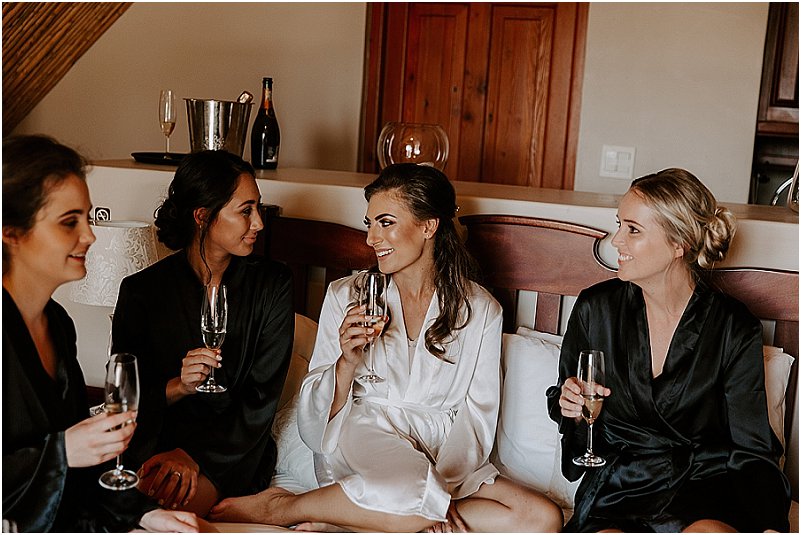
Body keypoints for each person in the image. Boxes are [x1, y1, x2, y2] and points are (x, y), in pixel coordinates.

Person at [209, 163, 563, 532]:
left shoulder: (481, 309)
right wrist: (346, 361)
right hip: (367, 428)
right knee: (417, 501)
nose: (370, 238)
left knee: (542, 517)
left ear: (428, 226)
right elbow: (315, 416)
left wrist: (437, 491)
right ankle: (284, 508)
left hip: (445, 449)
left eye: (385, 223)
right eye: (369, 224)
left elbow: (477, 415)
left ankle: (360, 517)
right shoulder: (346, 295)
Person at [547, 168, 791, 532]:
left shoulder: (733, 327)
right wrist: (572, 408)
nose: (616, 240)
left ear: (679, 244)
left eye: (633, 230)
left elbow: (751, 447)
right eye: (619, 225)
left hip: (705, 486)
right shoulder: (595, 309)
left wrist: (769, 523)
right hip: (620, 490)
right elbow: (565, 401)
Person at [2, 134, 201, 532]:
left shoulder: (58, 325)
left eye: (88, 217)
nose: (90, 235)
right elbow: (66, 453)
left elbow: (84, 460)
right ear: (11, 232)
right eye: (69, 222)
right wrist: (61, 452)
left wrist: (143, 513)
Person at [112, 150, 294, 517]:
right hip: (155, 438)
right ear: (203, 216)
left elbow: (260, 399)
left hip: (229, 451)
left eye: (258, 208)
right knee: (114, 504)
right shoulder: (142, 291)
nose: (259, 223)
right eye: (245, 211)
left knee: (164, 512)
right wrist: (178, 387)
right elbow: (125, 395)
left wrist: (193, 456)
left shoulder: (273, 285)